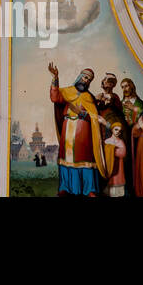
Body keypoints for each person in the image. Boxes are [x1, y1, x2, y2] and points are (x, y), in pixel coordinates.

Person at [48, 62, 108, 196]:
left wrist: (83, 114)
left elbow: (94, 116)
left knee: (84, 159)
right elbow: (55, 97)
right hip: (68, 127)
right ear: (79, 77)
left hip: (83, 131)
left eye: (88, 79)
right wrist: (55, 77)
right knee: (66, 158)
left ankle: (89, 189)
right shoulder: (67, 91)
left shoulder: (88, 97)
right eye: (84, 77)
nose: (85, 80)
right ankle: (65, 187)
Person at [104, 122, 129, 198]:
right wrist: (112, 149)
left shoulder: (120, 142)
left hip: (119, 166)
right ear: (112, 130)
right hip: (109, 165)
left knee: (118, 180)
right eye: (116, 129)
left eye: (119, 130)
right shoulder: (107, 141)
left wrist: (112, 150)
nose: (118, 131)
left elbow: (123, 153)